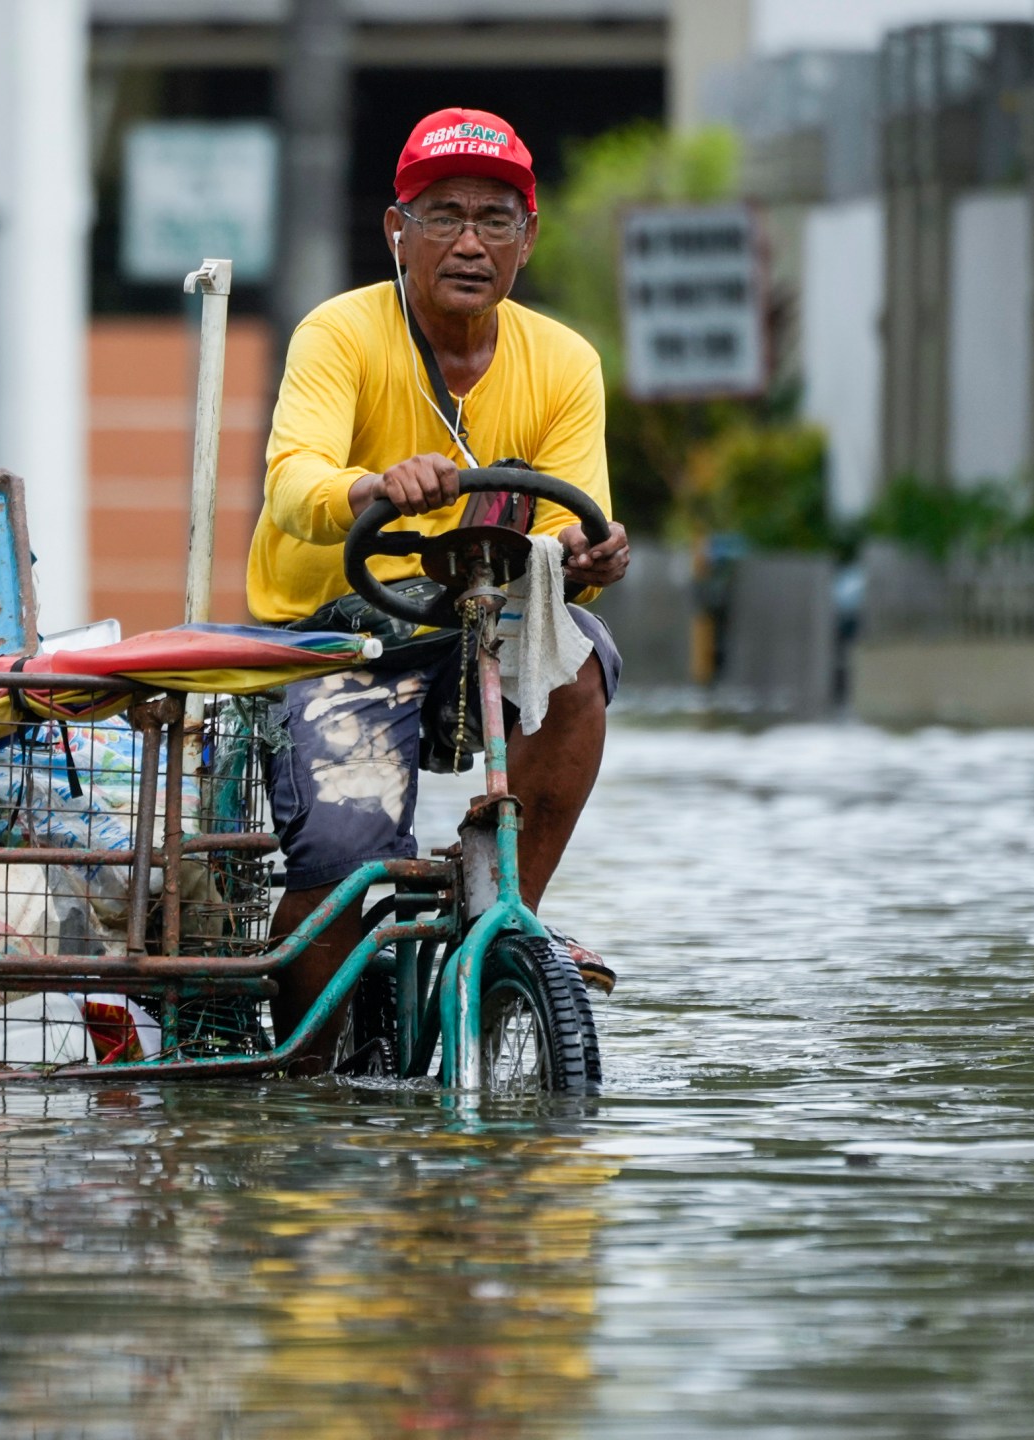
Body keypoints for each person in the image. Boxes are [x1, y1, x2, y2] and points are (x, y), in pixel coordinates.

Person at [254, 107, 633, 1053]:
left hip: (478, 628)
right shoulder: (340, 333)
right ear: (398, 231)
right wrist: (371, 487)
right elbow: (293, 480)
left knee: (580, 658)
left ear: (528, 239)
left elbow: (565, 534)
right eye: (444, 215)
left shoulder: (564, 362)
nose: (470, 242)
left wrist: (591, 563)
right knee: (341, 855)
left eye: (496, 220)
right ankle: (308, 1082)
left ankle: (504, 913)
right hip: (335, 631)